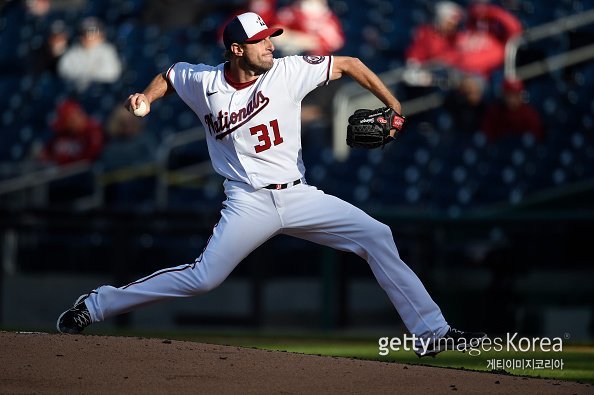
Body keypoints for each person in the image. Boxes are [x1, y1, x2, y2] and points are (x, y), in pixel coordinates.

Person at [56, 12, 486, 357]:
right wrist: (147, 97)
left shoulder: (288, 71)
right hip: (247, 203)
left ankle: (431, 332)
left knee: (377, 234)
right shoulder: (205, 81)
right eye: (262, 40)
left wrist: (393, 105)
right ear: (237, 49)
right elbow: (170, 74)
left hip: (299, 194)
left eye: (270, 37)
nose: (271, 45)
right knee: (205, 279)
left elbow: (351, 63)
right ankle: (96, 304)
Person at [57, 17, 122, 92]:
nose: (88, 37)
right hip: (77, 92)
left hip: (102, 91)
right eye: (85, 33)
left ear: (100, 35)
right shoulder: (72, 52)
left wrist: (87, 77)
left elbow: (112, 73)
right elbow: (63, 71)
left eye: (92, 33)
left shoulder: (108, 51)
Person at [38, 98, 104, 165]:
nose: (68, 125)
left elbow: (89, 159)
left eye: (71, 120)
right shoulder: (62, 133)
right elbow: (45, 155)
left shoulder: (92, 130)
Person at [480, 78, 544, 142]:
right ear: (503, 95)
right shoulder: (495, 112)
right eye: (509, 95)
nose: (512, 99)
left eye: (515, 95)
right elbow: (487, 135)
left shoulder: (528, 113)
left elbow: (536, 135)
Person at [272, 0, 345, 56]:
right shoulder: (290, 12)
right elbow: (275, 35)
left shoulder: (329, 20)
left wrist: (295, 40)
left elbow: (334, 44)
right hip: (291, 62)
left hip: (319, 65)